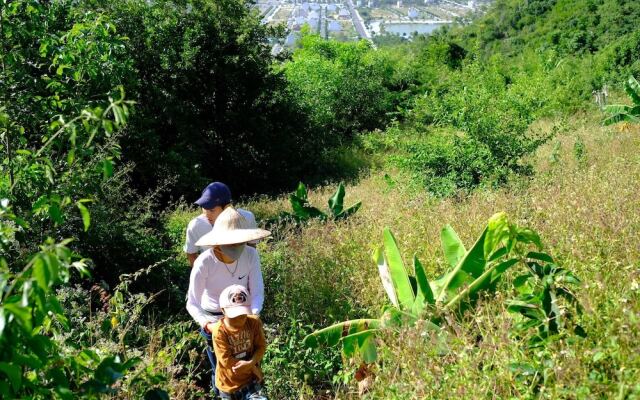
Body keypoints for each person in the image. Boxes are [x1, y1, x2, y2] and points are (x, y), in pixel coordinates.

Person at [186, 207, 270, 395]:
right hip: (215, 320)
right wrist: (208, 325)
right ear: (218, 242)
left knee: (249, 369)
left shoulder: (250, 255)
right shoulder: (205, 262)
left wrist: (252, 316)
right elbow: (192, 302)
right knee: (224, 374)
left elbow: (257, 291)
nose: (236, 247)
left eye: (240, 242)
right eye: (231, 243)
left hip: (244, 316)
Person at [212, 285, 267, 400]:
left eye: (243, 314)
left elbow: (261, 346)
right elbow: (226, 361)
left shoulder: (253, 323)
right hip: (228, 385)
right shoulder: (219, 331)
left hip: (251, 382)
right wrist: (252, 367)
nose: (240, 319)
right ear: (223, 310)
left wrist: (252, 363)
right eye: (235, 315)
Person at [184, 182, 257, 267]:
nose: (206, 214)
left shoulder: (246, 218)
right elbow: (191, 254)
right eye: (204, 208)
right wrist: (202, 275)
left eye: (212, 210)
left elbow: (252, 246)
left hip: (242, 274)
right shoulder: (196, 225)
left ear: (227, 207)